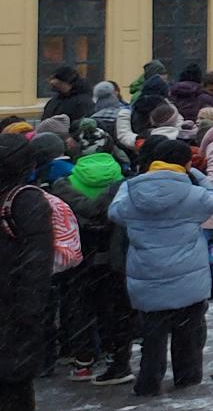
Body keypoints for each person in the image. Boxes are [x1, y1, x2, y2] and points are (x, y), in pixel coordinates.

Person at [108, 137, 213, 397]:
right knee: (188, 333)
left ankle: (148, 382)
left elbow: (115, 212)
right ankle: (187, 378)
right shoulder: (193, 195)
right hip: (188, 276)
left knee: (152, 335)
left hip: (147, 275)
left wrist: (133, 183)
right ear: (185, 163)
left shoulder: (133, 192)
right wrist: (194, 173)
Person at [52, 122, 134, 384]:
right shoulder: (123, 181)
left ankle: (83, 362)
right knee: (115, 306)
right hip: (114, 255)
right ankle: (116, 356)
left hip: (79, 255)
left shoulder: (65, 183)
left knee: (79, 307)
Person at [1, 133, 55, 407]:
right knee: (15, 385)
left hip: (12, 304)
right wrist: (30, 312)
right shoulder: (27, 200)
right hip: (15, 308)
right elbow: (37, 263)